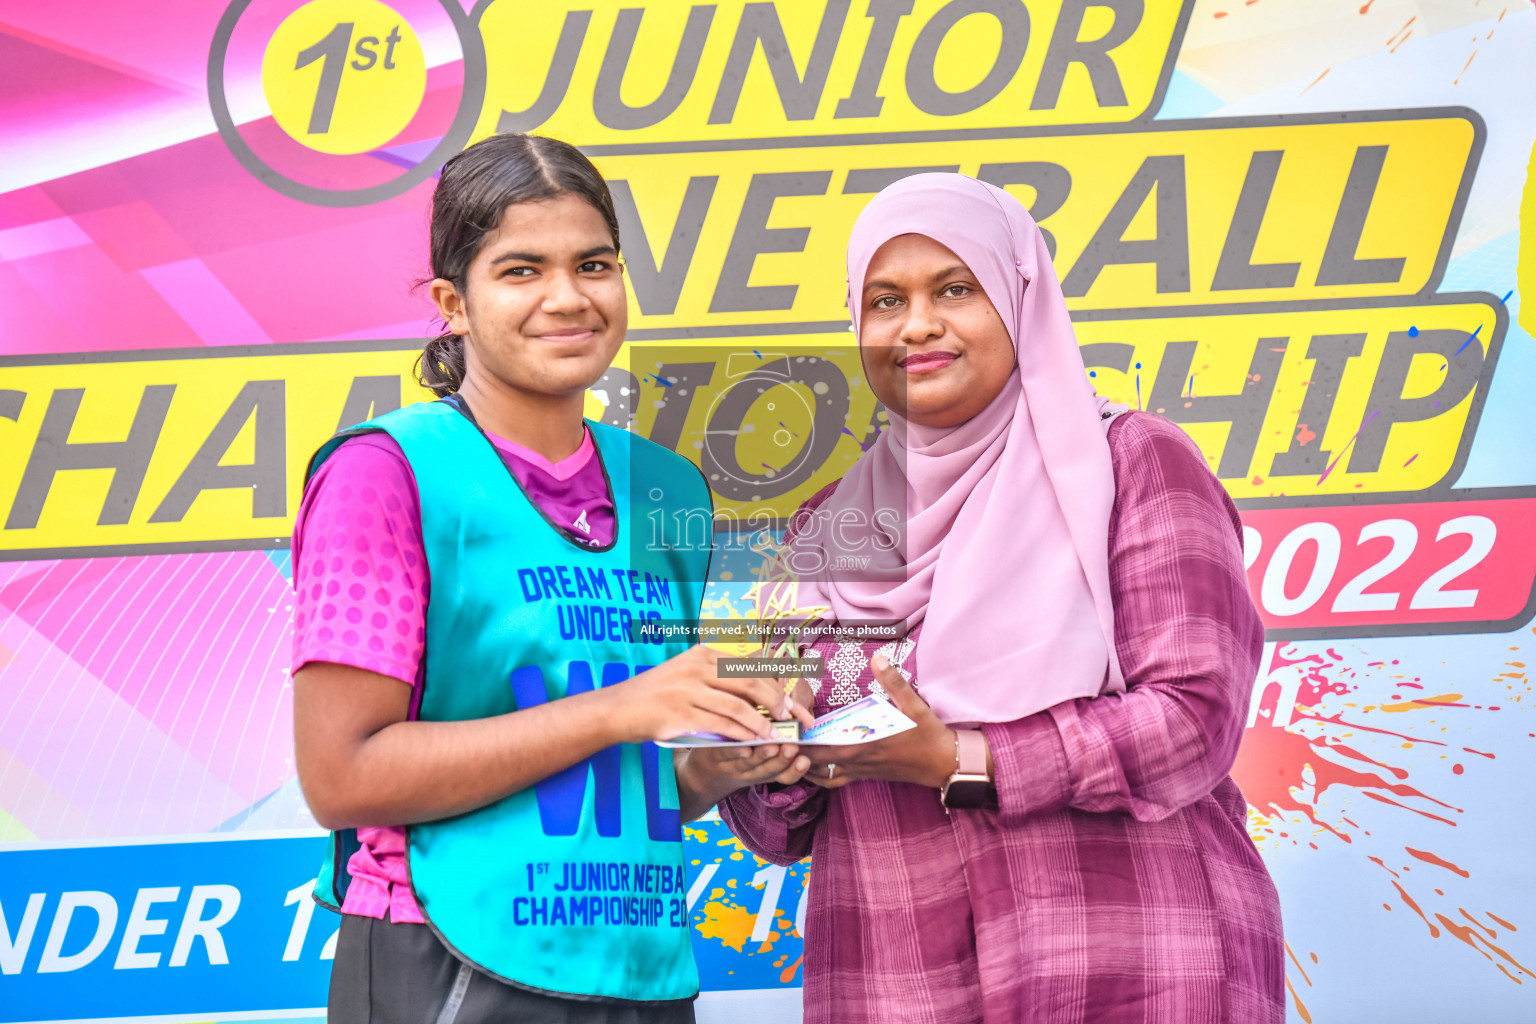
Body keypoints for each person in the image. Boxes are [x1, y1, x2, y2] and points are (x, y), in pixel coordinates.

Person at [713, 173, 1286, 1023]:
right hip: (893, 974)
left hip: (1131, 966)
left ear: (1022, 299)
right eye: (884, 299)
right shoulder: (820, 529)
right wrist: (771, 746)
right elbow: (769, 823)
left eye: (955, 289)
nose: (917, 325)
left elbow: (1192, 721)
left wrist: (961, 760)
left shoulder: (1132, 464)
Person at [289, 132, 810, 1024]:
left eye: (594, 264)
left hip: (638, 966)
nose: (568, 299)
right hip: (446, 954)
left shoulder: (667, 488)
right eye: (522, 270)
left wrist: (722, 760)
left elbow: (632, 777)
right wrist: (626, 705)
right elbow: (342, 776)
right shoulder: (386, 473)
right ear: (454, 303)